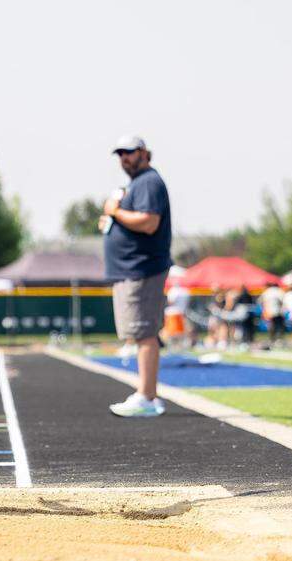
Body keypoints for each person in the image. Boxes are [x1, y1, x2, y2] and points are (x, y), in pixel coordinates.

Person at [99, 136, 172, 418]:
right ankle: (146, 394)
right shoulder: (136, 184)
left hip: (142, 268)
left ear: (143, 153)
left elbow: (149, 222)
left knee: (144, 333)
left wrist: (115, 212)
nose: (124, 159)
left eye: (128, 153)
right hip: (132, 269)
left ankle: (148, 396)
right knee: (139, 333)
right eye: (120, 154)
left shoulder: (148, 182)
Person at [259, 281, 286, 347]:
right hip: (278, 311)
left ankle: (272, 339)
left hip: (269, 312)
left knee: (272, 326)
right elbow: (283, 301)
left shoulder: (267, 292)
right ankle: (278, 339)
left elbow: (261, 302)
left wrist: (264, 311)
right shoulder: (279, 291)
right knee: (279, 326)